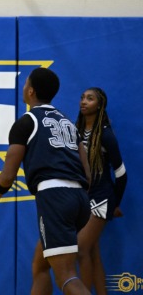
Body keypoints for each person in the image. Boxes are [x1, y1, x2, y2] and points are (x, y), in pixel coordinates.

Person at [0, 67, 91, 295]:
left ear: (30, 91)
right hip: (80, 199)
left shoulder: (26, 122)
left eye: (25, 84)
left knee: (66, 276)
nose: (23, 87)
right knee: (40, 265)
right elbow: (87, 172)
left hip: (55, 198)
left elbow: (7, 176)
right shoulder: (68, 123)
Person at [75, 88, 127, 295]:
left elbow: (121, 174)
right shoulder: (76, 130)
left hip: (101, 198)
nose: (84, 101)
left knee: (81, 249)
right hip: (83, 198)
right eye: (82, 98)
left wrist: (115, 204)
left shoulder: (106, 135)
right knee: (92, 253)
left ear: (100, 105)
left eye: (90, 99)